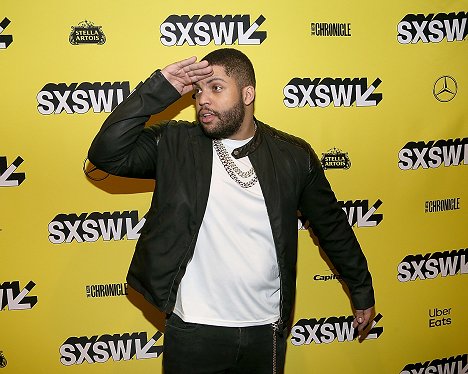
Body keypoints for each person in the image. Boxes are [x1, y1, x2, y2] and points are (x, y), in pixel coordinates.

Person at [88, 48, 375, 374]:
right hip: (193, 328)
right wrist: (158, 89)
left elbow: (332, 226)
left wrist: (361, 289)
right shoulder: (175, 143)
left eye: (216, 88)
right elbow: (106, 154)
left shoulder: (292, 156)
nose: (202, 100)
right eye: (198, 92)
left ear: (248, 93)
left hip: (264, 329)